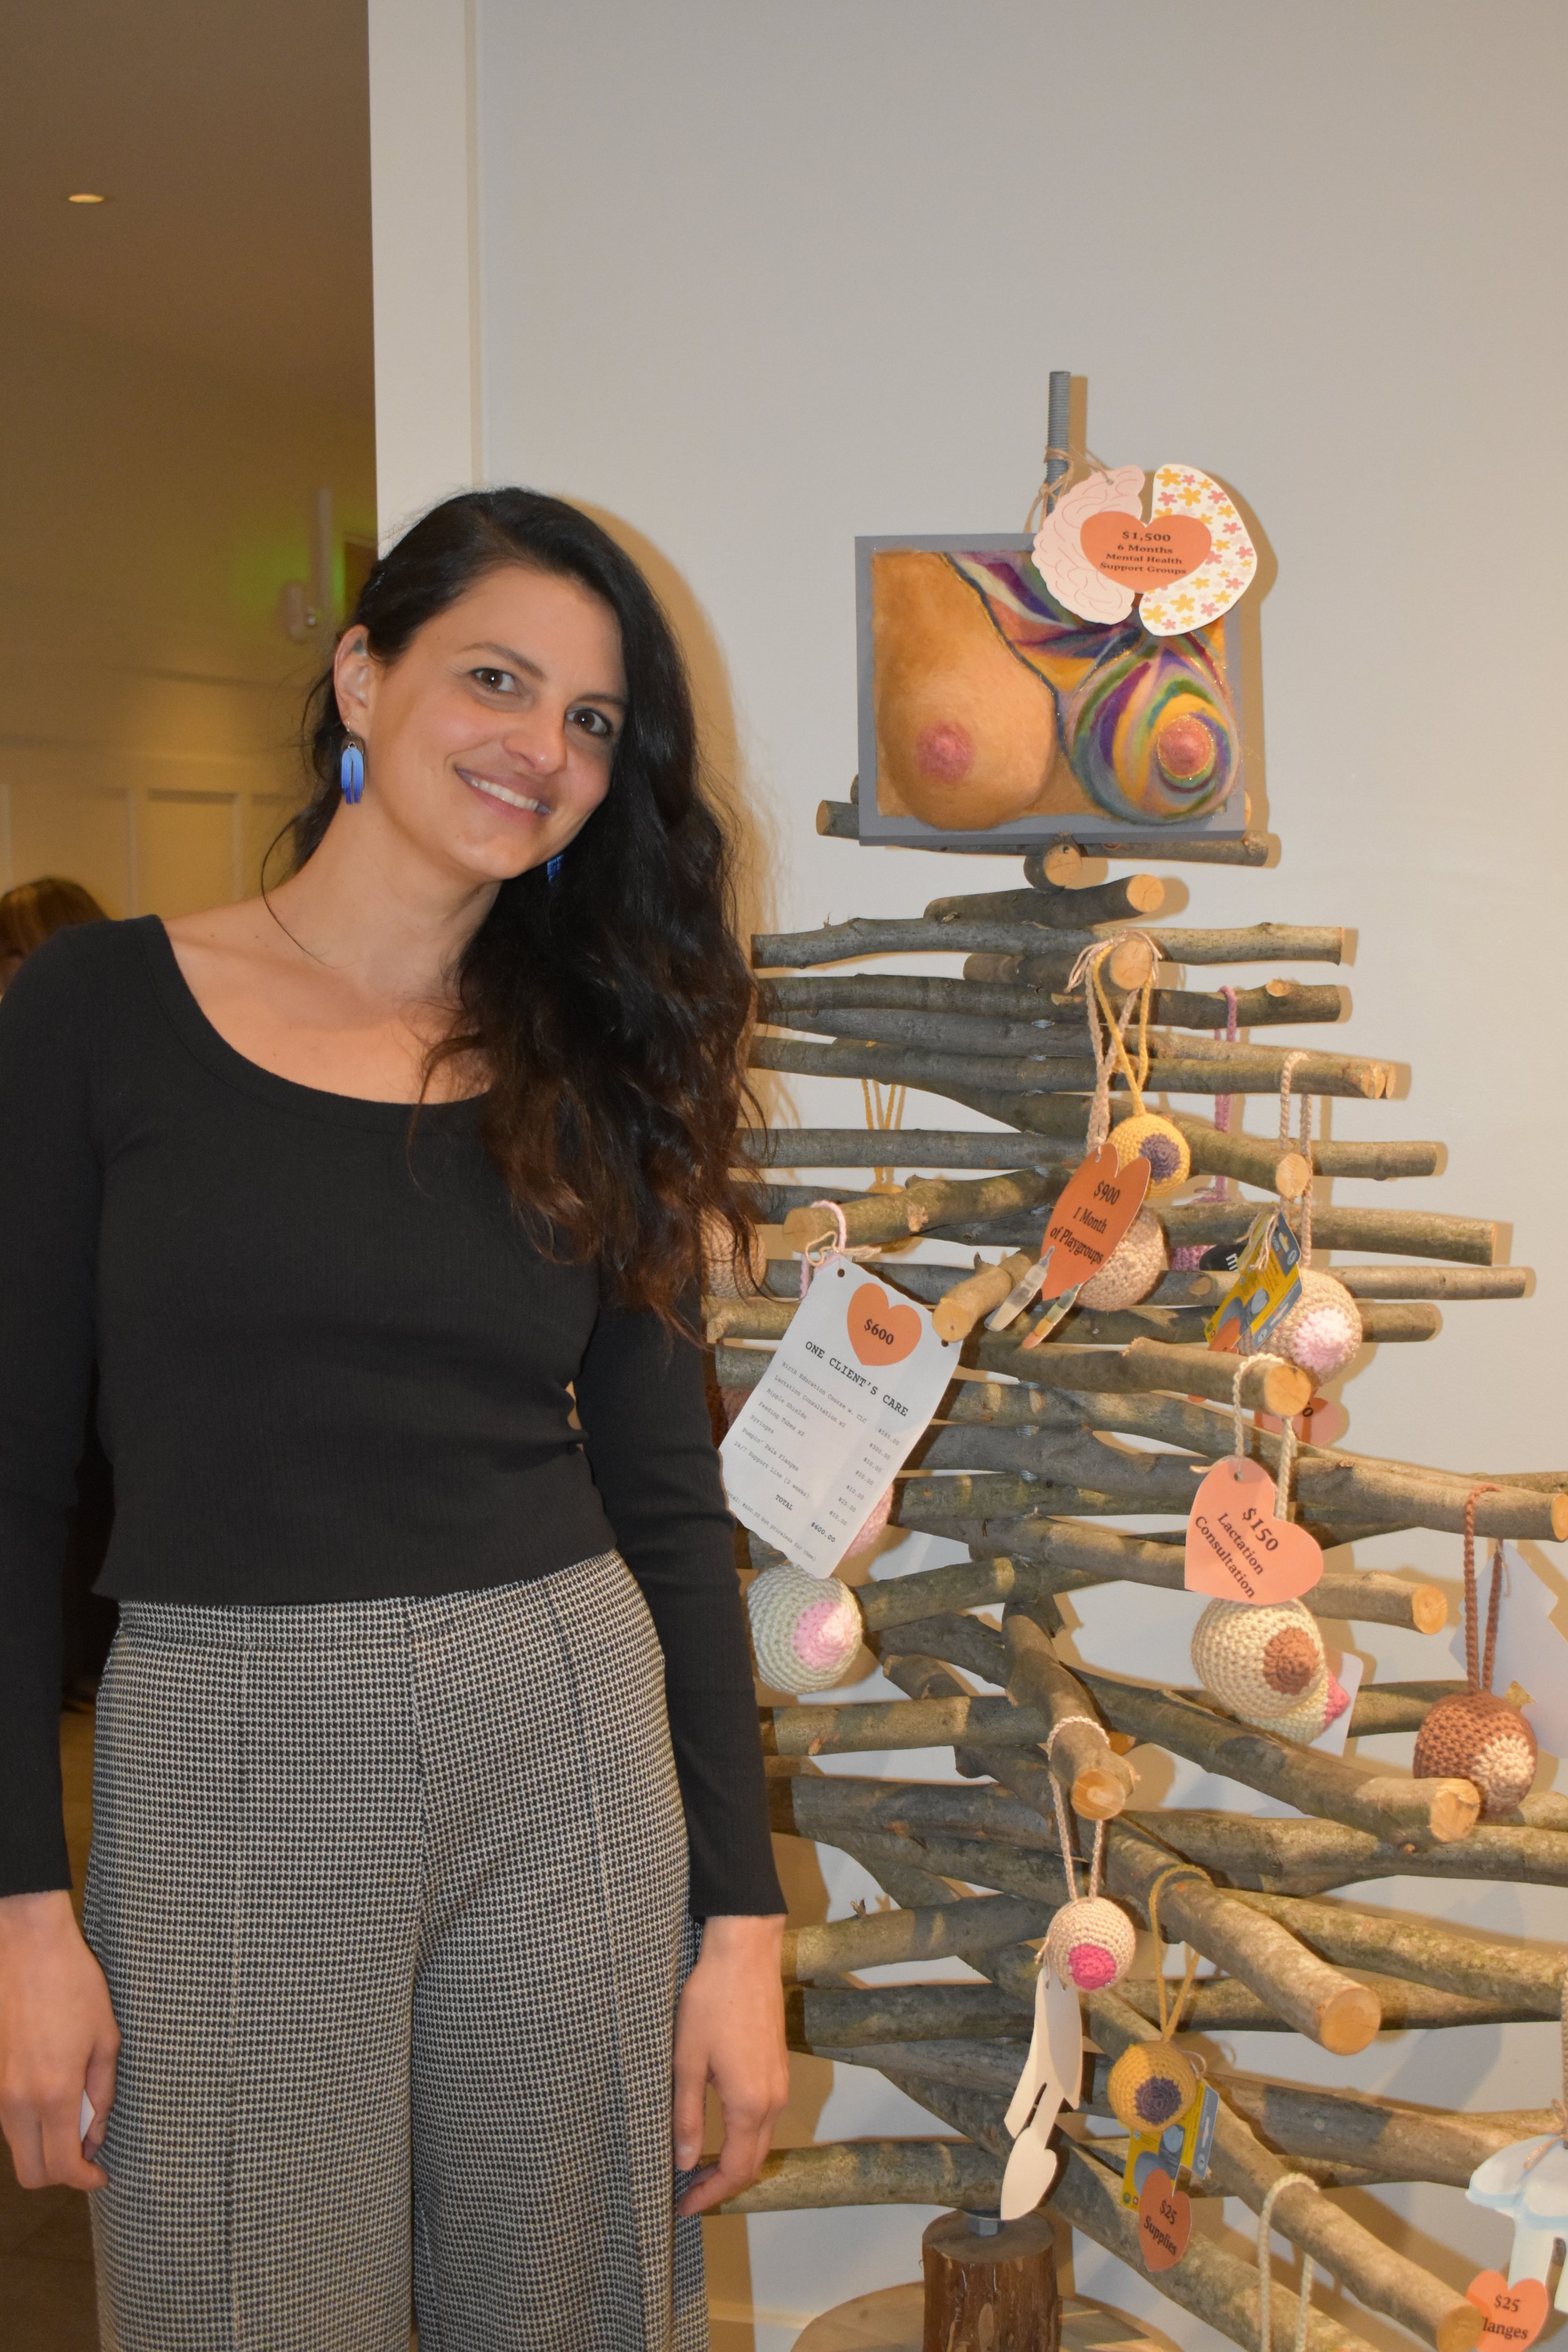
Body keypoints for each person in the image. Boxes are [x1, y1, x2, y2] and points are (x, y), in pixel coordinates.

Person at [0, 490, 789, 2352]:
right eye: (495, 680)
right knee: (237, 2308)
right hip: (228, 1746)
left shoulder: (594, 1051)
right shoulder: (96, 1009)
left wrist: (740, 1928)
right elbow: (12, 1485)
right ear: (362, 676)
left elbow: (669, 1503)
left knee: (569, 2315)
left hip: (563, 1730)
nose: (541, 748)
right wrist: (24, 1912)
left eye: (591, 720)